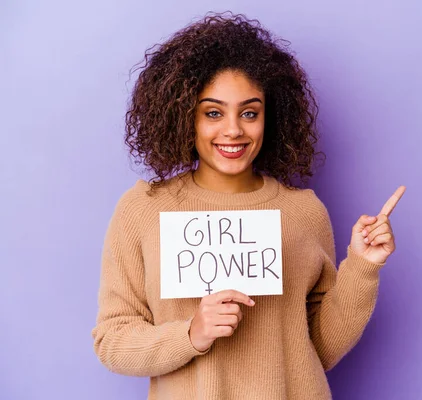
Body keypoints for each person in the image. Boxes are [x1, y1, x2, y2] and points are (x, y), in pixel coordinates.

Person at [91, 11, 405, 400]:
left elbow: (318, 349)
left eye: (249, 113)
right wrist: (192, 333)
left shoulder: (303, 212)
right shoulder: (142, 210)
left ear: (269, 118)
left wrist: (362, 267)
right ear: (184, 116)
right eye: (213, 113)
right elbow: (113, 341)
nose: (233, 129)